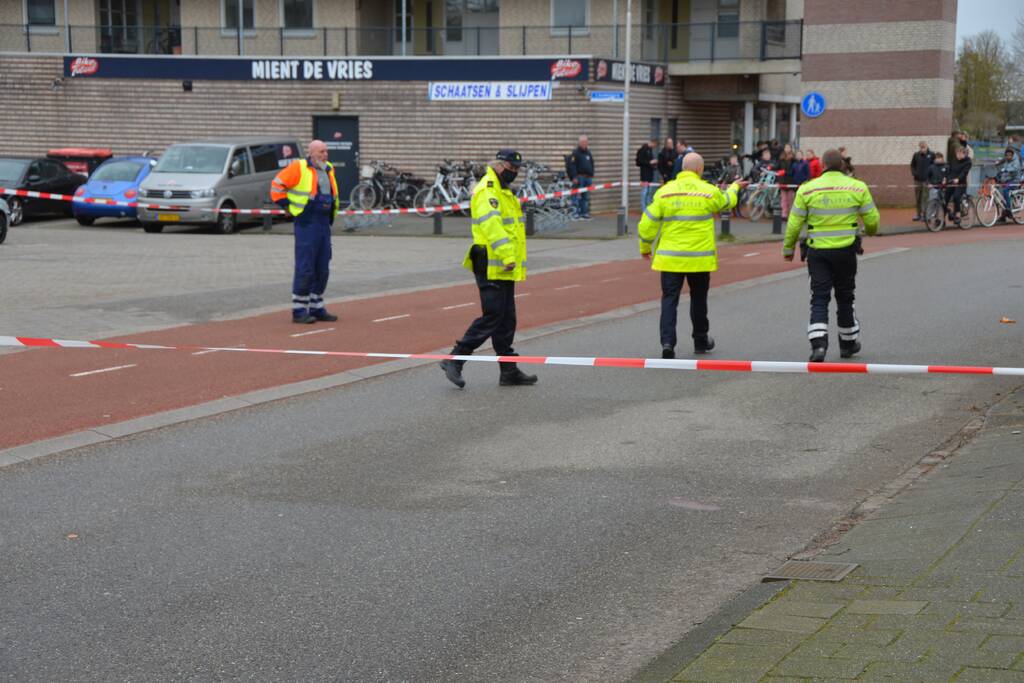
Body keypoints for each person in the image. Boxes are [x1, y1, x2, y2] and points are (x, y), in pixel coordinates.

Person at [440, 149, 536, 389]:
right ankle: (455, 358)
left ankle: (508, 370)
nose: (513, 173)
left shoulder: (504, 191)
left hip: (503, 263)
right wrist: (507, 255)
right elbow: (492, 226)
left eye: (516, 170)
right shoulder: (487, 191)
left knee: (506, 318)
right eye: (510, 169)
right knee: (493, 315)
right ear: (499, 166)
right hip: (491, 260)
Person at [638, 153, 744, 359]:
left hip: (670, 258)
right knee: (698, 299)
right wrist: (734, 188)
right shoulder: (708, 191)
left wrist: (645, 247)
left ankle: (668, 343)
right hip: (699, 257)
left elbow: (647, 223)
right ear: (699, 170)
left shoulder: (664, 192)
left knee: (669, 300)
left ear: (681, 169)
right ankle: (700, 340)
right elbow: (727, 203)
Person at [783, 149, 880, 362]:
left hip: (818, 252)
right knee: (845, 296)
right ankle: (847, 344)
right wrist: (870, 231)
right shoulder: (857, 187)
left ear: (823, 165)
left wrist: (788, 249)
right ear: (843, 166)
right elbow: (872, 219)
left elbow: (794, 223)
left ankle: (818, 346)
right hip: (846, 251)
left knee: (819, 297)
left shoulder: (807, 189)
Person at [270, 139, 340, 324]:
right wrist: (287, 205)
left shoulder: (328, 168)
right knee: (305, 266)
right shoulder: (299, 167)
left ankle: (317, 307)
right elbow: (277, 185)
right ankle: (299, 310)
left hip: (324, 224)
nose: (325, 155)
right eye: (321, 152)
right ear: (311, 153)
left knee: (322, 267)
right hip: (307, 223)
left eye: (326, 151)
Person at [566, 135, 594, 219]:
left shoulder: (588, 152)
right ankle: (575, 213)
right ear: (579, 142)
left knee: (585, 197)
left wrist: (591, 174)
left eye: (586, 142)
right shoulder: (575, 153)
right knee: (576, 196)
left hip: (587, 178)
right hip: (579, 178)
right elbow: (572, 166)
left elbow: (592, 164)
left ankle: (584, 213)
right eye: (582, 142)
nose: (584, 143)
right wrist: (574, 177)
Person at [944, 145, 972, 226]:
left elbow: (964, 172)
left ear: (964, 154)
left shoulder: (968, 162)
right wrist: (945, 178)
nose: (958, 155)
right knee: (944, 198)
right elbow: (948, 170)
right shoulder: (953, 161)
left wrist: (958, 179)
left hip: (961, 184)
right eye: (957, 154)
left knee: (956, 197)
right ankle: (942, 219)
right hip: (951, 183)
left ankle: (958, 215)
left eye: (960, 154)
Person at [910, 141, 935, 221]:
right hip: (917, 180)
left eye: (924, 147)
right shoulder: (916, 155)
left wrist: (931, 177)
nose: (922, 149)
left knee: (925, 198)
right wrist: (914, 173)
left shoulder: (931, 155)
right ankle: (918, 214)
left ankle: (925, 214)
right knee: (918, 198)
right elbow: (912, 165)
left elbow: (934, 166)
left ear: (927, 146)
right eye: (921, 148)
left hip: (926, 181)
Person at [996, 147, 1022, 220]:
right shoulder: (1007, 161)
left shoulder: (1016, 161)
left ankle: (1008, 209)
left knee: (1005, 190)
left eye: (1009, 155)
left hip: (1015, 181)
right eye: (1006, 155)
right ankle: (1003, 215)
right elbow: (1003, 171)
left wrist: (1006, 170)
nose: (1008, 157)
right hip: (1007, 180)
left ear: (1012, 155)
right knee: (1000, 195)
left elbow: (1015, 169)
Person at [636, 137, 658, 207]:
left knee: (649, 192)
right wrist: (650, 162)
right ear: (653, 142)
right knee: (645, 191)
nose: (655, 147)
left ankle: (648, 206)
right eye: (655, 145)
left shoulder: (650, 150)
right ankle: (643, 207)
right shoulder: (643, 149)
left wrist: (653, 165)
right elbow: (639, 161)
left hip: (649, 174)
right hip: (645, 175)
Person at [777, 144, 796, 218]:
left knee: (790, 199)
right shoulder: (781, 158)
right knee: (783, 199)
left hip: (790, 181)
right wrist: (772, 167)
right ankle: (784, 214)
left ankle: (790, 214)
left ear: (791, 149)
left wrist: (785, 172)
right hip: (782, 180)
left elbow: (793, 170)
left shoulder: (793, 159)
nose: (787, 149)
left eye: (788, 147)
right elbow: (778, 166)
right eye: (786, 147)